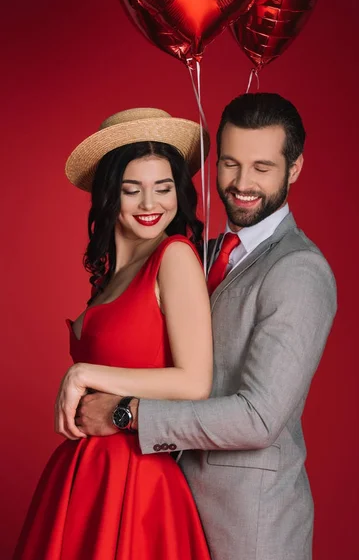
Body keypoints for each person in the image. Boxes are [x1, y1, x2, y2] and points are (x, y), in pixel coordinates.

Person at [75, 93, 338, 560]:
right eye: (231, 163)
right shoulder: (206, 252)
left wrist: (126, 413)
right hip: (169, 509)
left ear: (294, 168)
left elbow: (258, 418)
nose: (241, 183)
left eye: (262, 167)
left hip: (249, 528)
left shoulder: (298, 270)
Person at [13, 108, 213, 560]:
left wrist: (84, 373)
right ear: (108, 195)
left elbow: (195, 381)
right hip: (82, 476)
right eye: (132, 189)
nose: (150, 204)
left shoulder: (174, 257)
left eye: (164, 188)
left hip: (136, 481)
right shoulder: (110, 277)